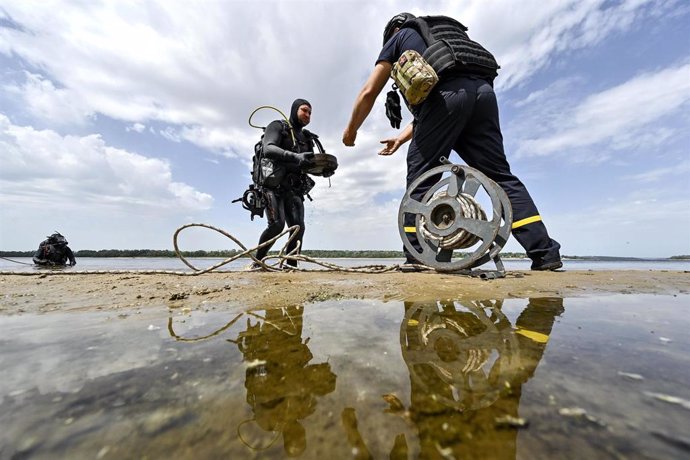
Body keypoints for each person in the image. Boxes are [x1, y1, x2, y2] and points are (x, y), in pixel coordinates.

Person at [342, 13, 562, 271]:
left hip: (445, 99)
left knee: (420, 178)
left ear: (393, 31)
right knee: (499, 176)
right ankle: (544, 252)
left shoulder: (399, 36)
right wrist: (401, 139)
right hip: (483, 96)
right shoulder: (445, 39)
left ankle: (417, 254)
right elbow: (454, 96)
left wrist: (351, 131)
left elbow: (369, 91)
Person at [251, 99, 318, 269]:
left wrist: (324, 170)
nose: (308, 115)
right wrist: (295, 157)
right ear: (295, 109)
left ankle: (290, 266)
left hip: (294, 188)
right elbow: (268, 148)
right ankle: (258, 263)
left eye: (310, 113)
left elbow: (309, 165)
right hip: (272, 186)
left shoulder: (307, 138)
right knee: (276, 226)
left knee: (298, 228)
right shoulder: (278, 126)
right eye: (304, 110)